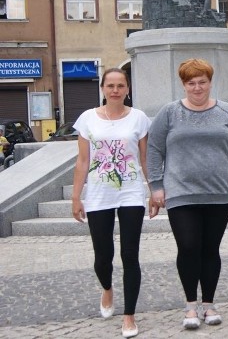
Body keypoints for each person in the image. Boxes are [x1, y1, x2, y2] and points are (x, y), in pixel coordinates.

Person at [146, 58, 228, 329]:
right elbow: (154, 149)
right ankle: (190, 305)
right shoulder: (170, 113)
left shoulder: (226, 111)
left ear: (210, 82)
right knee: (189, 246)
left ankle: (209, 303)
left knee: (210, 249)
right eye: (191, 83)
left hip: (219, 192)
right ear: (183, 85)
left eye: (202, 82)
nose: (197, 88)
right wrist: (156, 186)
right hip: (181, 192)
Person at [70, 68, 151, 338]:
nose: (115, 90)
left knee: (130, 255)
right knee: (103, 256)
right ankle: (107, 288)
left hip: (130, 193)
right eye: (110, 85)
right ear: (103, 88)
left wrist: (154, 191)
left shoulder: (139, 118)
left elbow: (144, 160)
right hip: (98, 194)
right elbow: (82, 161)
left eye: (120, 85)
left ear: (128, 88)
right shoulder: (87, 119)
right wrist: (76, 196)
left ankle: (129, 315)